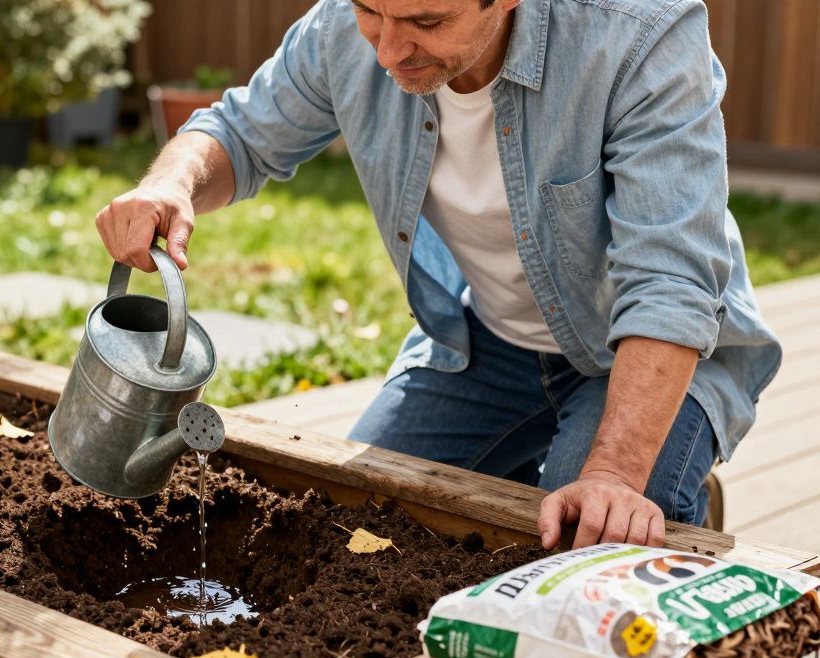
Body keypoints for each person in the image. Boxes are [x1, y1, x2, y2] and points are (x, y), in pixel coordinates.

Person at [94, 0, 781, 550]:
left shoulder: (641, 34)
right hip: (483, 345)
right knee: (358, 523)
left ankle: (673, 487)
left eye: (427, 23)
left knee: (583, 542)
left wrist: (615, 477)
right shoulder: (344, 28)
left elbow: (671, 281)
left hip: (642, 356)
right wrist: (173, 183)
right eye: (373, 13)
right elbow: (240, 135)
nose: (389, 50)